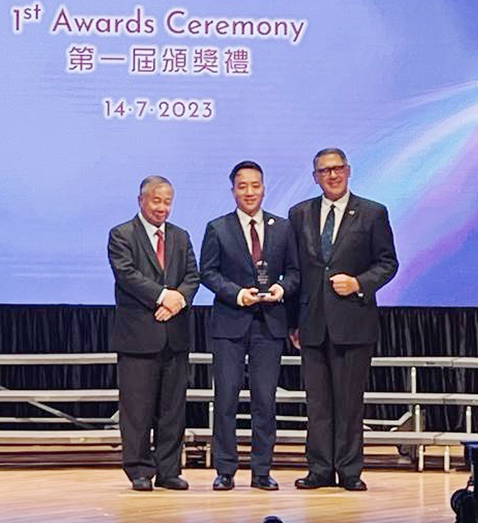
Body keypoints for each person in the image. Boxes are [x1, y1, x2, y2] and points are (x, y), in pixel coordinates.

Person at [288, 148, 398, 491]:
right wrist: (293, 322)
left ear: (348, 171)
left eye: (337, 169)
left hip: (354, 321)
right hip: (311, 324)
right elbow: (295, 271)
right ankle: (319, 470)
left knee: (349, 402)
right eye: (324, 171)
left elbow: (387, 263)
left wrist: (358, 284)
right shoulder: (299, 214)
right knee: (318, 404)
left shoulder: (372, 213)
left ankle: (350, 471)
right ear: (315, 177)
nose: (332, 176)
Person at [200, 161, 299, 491]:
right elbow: (208, 273)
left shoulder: (283, 228)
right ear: (233, 191)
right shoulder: (218, 227)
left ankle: (261, 471)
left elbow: (295, 272)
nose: (249, 192)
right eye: (242, 186)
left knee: (264, 401)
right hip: (230, 324)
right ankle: (225, 470)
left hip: (270, 326)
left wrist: (281, 289)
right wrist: (237, 294)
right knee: (226, 398)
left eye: (255, 185)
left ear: (264, 188)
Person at [107, 175, 200, 491]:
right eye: (156, 201)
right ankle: (139, 470)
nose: (162, 208)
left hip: (174, 335)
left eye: (168, 202)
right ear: (141, 200)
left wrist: (177, 301)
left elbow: (192, 276)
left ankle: (169, 469)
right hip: (137, 337)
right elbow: (127, 275)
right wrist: (164, 296)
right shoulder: (122, 235)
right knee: (137, 410)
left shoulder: (180, 236)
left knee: (172, 408)